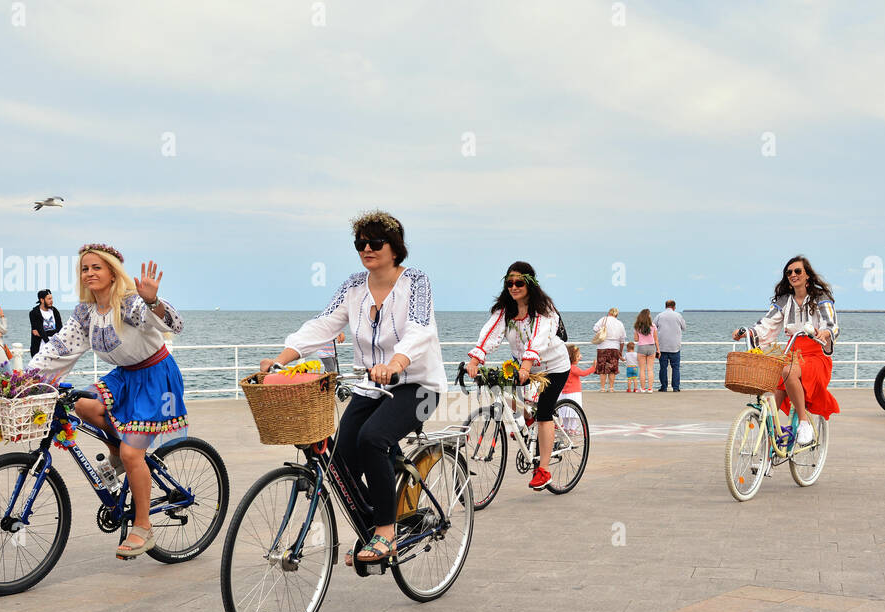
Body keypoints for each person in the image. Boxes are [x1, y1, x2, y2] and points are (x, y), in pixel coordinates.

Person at [263, 211, 445, 565]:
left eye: (375, 242)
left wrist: (395, 364)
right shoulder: (353, 287)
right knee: (338, 458)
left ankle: (385, 532)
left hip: (420, 386)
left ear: (395, 248)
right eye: (360, 243)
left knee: (373, 438)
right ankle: (372, 524)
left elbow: (420, 329)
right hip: (371, 385)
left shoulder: (417, 282)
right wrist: (281, 359)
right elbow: (323, 325)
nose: (366, 249)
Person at [28, 243, 187, 559]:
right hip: (124, 376)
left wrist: (153, 300)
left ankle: (143, 527)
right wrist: (24, 379)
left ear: (113, 272)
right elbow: (59, 347)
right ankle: (118, 452)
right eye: (85, 268)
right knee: (82, 404)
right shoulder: (86, 313)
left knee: (132, 453)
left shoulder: (130, 304)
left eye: (97, 267)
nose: (89, 273)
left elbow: (172, 325)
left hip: (155, 376)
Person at [467, 261, 572, 491]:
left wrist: (525, 366)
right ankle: (529, 419)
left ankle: (543, 469)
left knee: (544, 412)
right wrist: (475, 360)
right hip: (524, 366)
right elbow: (490, 333)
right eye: (509, 283)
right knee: (508, 394)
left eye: (519, 283)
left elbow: (538, 338)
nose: (513, 287)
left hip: (552, 366)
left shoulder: (544, 310)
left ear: (530, 284)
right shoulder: (505, 311)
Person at [731, 255, 841, 444]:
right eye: (789, 272)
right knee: (773, 391)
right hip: (792, 351)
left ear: (807, 275)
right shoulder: (784, 301)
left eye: (798, 271)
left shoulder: (820, 298)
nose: (793, 274)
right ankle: (771, 444)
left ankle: (804, 423)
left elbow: (831, 324)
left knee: (787, 372)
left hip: (815, 354)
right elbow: (766, 324)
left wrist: (824, 333)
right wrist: (747, 332)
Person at [654, 299, 687, 391]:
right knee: (675, 368)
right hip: (675, 346)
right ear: (674, 307)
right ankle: (675, 387)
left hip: (662, 346)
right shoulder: (678, 315)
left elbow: (653, 327)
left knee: (663, 368)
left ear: (665, 306)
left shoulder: (660, 316)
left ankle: (664, 387)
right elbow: (684, 327)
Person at [592, 307, 626, 392]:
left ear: (609, 313)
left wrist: (602, 330)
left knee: (603, 369)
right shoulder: (620, 323)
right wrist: (620, 352)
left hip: (602, 347)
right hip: (615, 348)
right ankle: (611, 388)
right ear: (616, 314)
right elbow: (622, 340)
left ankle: (602, 388)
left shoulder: (604, 319)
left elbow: (595, 328)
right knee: (612, 369)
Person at [29, 289, 63, 357]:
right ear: (42, 300)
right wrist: (49, 336)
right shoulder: (34, 313)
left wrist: (45, 333)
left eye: (51, 298)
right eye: (49, 299)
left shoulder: (55, 311)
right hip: (40, 349)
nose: (51, 301)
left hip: (55, 346)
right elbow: (40, 330)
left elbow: (60, 329)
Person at [633, 308, 659, 392]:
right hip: (651, 347)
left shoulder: (637, 326)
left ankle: (643, 388)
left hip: (642, 348)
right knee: (650, 369)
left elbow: (636, 339)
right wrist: (658, 350)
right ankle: (650, 388)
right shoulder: (653, 326)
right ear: (648, 316)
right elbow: (656, 339)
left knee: (642, 370)